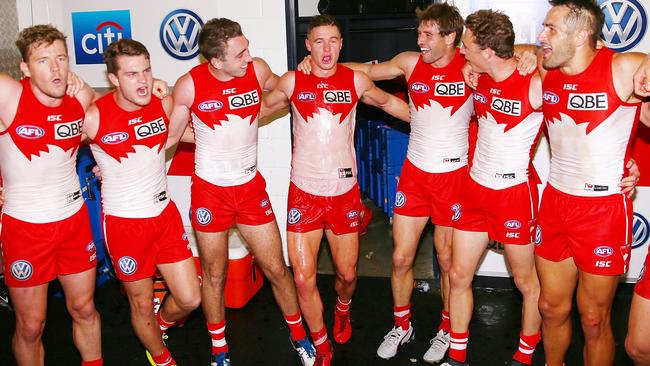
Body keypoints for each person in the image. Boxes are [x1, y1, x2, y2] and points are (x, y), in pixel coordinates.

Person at [261, 15, 410, 366]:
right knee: (302, 277)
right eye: (319, 41)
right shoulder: (292, 81)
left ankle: (342, 311)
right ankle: (321, 344)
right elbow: (254, 112)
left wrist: (435, 124)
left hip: (343, 193)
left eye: (333, 41)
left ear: (341, 44)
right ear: (308, 45)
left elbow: (390, 104)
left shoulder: (356, 80)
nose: (326, 49)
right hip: (304, 192)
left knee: (347, 275)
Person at [166, 18, 315, 366]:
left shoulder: (257, 69)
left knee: (277, 268)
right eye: (240, 53)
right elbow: (171, 137)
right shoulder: (189, 86)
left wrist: (306, 69)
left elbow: (285, 87)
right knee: (214, 275)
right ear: (216, 61)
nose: (249, 56)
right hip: (210, 192)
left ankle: (298, 335)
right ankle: (219, 349)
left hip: (250, 188)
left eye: (247, 47)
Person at [533, 1, 649, 365]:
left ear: (582, 34)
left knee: (594, 318)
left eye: (551, 28)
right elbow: (514, 52)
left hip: (602, 213)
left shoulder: (623, 67)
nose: (541, 36)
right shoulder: (544, 64)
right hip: (554, 202)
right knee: (550, 308)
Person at [83, 39, 201, 366]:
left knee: (191, 298)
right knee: (140, 304)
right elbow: (54, 148)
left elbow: (184, 133)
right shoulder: (94, 116)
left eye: (147, 71)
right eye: (133, 74)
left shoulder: (161, 104)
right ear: (114, 79)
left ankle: (160, 326)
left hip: (164, 215)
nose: (144, 80)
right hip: (125, 224)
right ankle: (162, 359)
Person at [440, 10, 544, 366]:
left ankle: (525, 354)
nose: (462, 53)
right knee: (457, 274)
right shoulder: (477, 75)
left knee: (526, 282)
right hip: (474, 191)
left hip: (514, 194)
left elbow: (583, 67)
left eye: (467, 46)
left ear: (487, 50)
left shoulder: (534, 81)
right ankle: (457, 354)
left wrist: (625, 164)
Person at [0, 25, 101, 366]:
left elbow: (117, 115)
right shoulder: (9, 94)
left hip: (73, 221)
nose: (55, 68)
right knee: (31, 325)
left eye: (61, 58)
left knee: (84, 308)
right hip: (26, 227)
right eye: (43, 60)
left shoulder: (80, 97)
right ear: (25, 68)